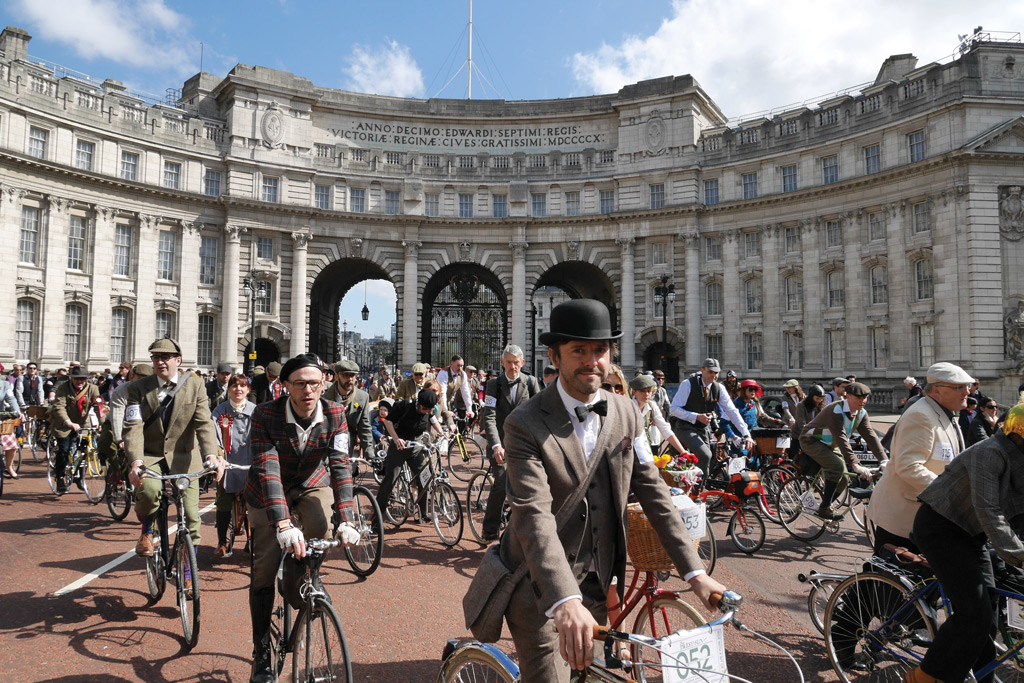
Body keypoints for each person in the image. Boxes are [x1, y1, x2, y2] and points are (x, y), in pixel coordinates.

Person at [465, 299, 725, 680]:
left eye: (600, 350)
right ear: (554, 356)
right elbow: (534, 517)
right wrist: (564, 600)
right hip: (539, 589)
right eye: (578, 351)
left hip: (599, 585)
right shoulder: (524, 423)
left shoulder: (626, 412)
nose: (592, 361)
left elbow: (653, 491)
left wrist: (695, 572)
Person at [243, 353, 359, 683]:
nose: (308, 390)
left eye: (314, 383)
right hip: (268, 489)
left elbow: (339, 465)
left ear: (325, 383)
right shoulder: (265, 414)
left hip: (311, 482)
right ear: (285, 386)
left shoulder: (336, 413)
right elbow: (268, 469)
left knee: (322, 526)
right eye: (299, 383)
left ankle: (301, 573)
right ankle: (262, 650)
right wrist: (282, 524)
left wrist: (348, 517)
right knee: (264, 567)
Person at [906, 398, 1024, 683]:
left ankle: (985, 678)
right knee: (974, 613)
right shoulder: (989, 453)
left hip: (974, 534)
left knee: (990, 610)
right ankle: (925, 675)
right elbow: (989, 510)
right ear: (1019, 432)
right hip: (942, 528)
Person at [124, 338, 225, 556]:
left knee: (191, 514)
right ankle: (147, 529)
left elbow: (204, 423)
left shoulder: (196, 386)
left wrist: (211, 454)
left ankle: (189, 572)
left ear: (178, 360)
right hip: (150, 455)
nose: (160, 362)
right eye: (156, 357)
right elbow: (133, 426)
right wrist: (136, 462)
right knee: (149, 491)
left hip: (184, 456)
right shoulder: (137, 388)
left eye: (166, 357)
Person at [867, 362, 972, 555]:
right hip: (904, 514)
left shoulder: (944, 413)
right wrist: (950, 494)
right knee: (890, 577)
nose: (967, 391)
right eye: (959, 387)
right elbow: (909, 466)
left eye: (967, 386)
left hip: (926, 515)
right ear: (937, 391)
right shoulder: (921, 416)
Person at [478, 344, 542, 541]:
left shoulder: (531, 383)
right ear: (502, 363)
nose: (513, 367)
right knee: (502, 483)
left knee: (530, 485)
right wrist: (496, 445)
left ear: (522, 363)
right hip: (501, 443)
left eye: (516, 363)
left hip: (525, 444)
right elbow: (488, 416)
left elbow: (539, 414)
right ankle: (490, 526)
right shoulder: (494, 385)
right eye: (509, 363)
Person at [799, 382, 887, 520]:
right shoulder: (836, 410)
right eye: (858, 397)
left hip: (830, 443)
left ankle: (825, 505)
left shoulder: (861, 413)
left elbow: (870, 436)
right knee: (837, 467)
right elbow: (841, 437)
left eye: (865, 397)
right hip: (811, 440)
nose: (862, 401)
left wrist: (884, 459)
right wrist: (855, 464)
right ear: (848, 396)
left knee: (844, 479)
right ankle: (824, 509)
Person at [668, 358, 754, 475]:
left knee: (710, 459)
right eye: (710, 372)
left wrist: (746, 434)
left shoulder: (719, 388)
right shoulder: (687, 384)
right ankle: (696, 489)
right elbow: (673, 409)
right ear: (702, 370)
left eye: (716, 373)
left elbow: (732, 411)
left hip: (703, 428)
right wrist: (696, 416)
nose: (714, 375)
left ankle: (701, 486)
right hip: (684, 427)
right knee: (705, 455)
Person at [375, 388, 444, 517]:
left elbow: (433, 419)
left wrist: (442, 432)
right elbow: (388, 422)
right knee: (390, 480)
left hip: (416, 447)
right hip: (399, 447)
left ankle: (424, 512)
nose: (427, 412)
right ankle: (377, 515)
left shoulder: (428, 410)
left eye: (430, 409)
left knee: (425, 478)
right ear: (419, 404)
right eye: (425, 409)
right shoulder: (405, 405)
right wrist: (396, 439)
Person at [210, 373, 256, 560]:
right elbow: (213, 438)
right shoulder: (219, 411)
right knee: (223, 502)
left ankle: (251, 540)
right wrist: (219, 459)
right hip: (227, 463)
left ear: (248, 390)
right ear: (228, 389)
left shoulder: (256, 410)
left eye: (242, 386)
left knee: (253, 502)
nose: (238, 389)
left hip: (250, 464)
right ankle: (221, 542)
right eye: (234, 386)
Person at [51, 366, 100, 493]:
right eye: (77, 379)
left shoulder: (93, 389)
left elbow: (99, 407)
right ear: (71, 378)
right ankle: (60, 477)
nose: (80, 382)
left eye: (83, 379)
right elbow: (59, 406)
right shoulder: (63, 388)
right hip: (64, 423)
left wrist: (101, 423)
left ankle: (80, 477)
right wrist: (68, 422)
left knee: (85, 450)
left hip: (83, 423)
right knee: (64, 450)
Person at [324, 360, 374, 461]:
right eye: (345, 375)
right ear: (337, 377)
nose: (350, 379)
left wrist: (370, 454)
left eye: (353, 375)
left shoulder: (362, 397)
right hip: (326, 445)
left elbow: (364, 426)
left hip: (348, 446)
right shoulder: (324, 397)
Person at [629, 374, 686, 456]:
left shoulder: (652, 405)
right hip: (629, 450)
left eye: (649, 391)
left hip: (646, 447)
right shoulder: (628, 406)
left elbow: (665, 429)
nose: (646, 394)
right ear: (634, 392)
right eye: (642, 391)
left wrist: (683, 451)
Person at [436, 354, 476, 426]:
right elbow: (442, 393)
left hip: (446, 402)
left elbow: (465, 392)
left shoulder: (463, 374)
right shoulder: (444, 373)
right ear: (451, 364)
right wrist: (445, 411)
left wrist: (469, 409)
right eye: (458, 365)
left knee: (452, 427)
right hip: (437, 403)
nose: (460, 368)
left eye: (462, 366)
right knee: (438, 425)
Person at [0, 364, 22, 479]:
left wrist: (18, 413)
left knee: (12, 444)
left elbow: (11, 399)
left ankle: (9, 467)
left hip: (1, 417)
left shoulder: (5, 385)